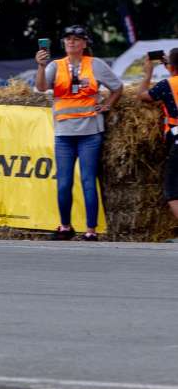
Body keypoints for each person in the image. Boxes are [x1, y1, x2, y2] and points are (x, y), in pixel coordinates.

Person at [35, 24, 122, 241]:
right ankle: (65, 227)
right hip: (64, 134)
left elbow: (118, 87)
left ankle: (91, 230)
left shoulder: (95, 64)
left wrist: (108, 105)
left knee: (88, 181)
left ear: (84, 43)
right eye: (68, 38)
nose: (71, 42)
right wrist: (40, 66)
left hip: (90, 132)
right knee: (64, 183)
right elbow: (41, 87)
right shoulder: (55, 65)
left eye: (76, 39)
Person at [135, 47, 178, 240]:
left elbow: (142, 95)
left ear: (171, 66)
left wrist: (148, 73)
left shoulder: (167, 85)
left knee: (172, 191)